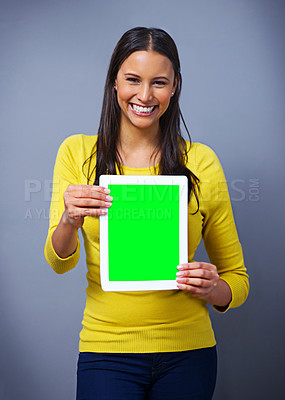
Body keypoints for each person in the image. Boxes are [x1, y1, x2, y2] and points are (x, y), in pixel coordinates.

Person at [44, 27, 249, 400]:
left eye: (159, 82)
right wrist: (68, 220)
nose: (144, 95)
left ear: (175, 88)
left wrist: (213, 288)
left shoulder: (201, 162)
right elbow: (59, 262)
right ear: (113, 84)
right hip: (106, 350)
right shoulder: (77, 154)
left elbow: (237, 280)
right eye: (133, 80)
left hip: (189, 352)